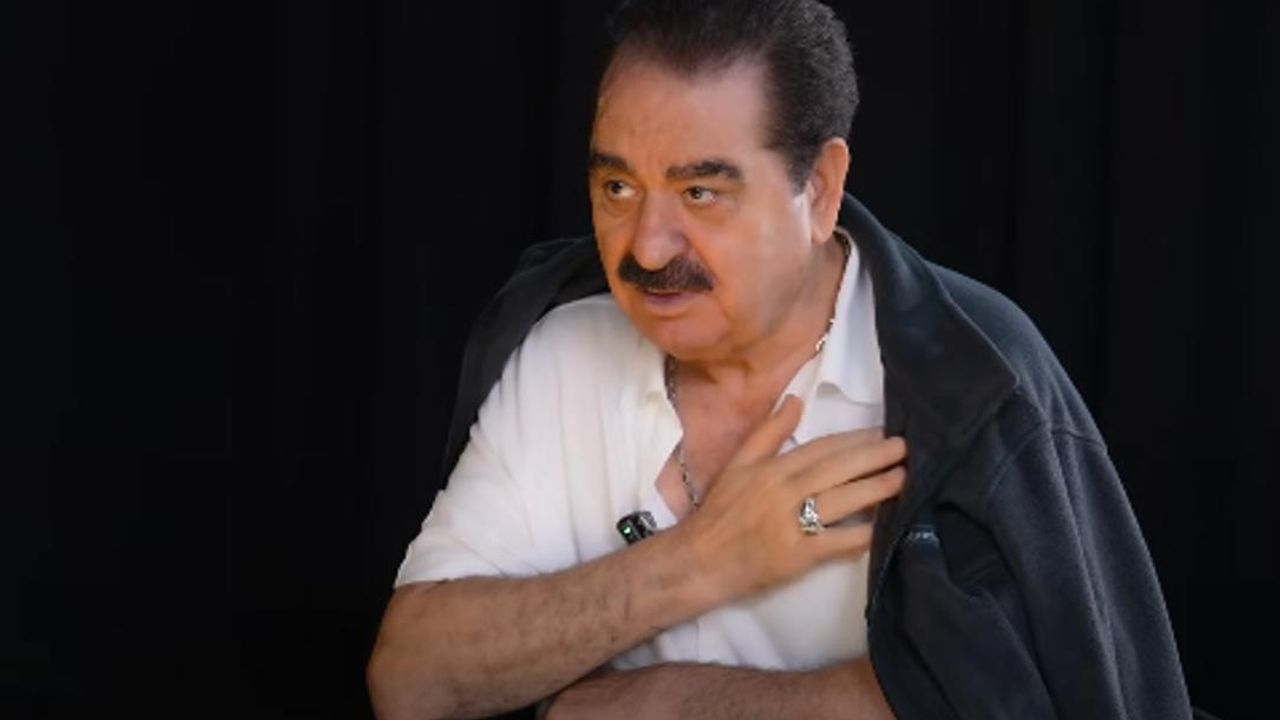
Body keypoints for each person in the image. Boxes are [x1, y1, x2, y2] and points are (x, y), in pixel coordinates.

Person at [367, 1, 1193, 718]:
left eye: (701, 193)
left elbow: (1038, 697)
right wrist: (698, 562)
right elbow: (409, 682)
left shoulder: (971, 380)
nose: (647, 247)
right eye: (618, 189)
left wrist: (675, 705)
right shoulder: (563, 348)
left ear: (821, 189)